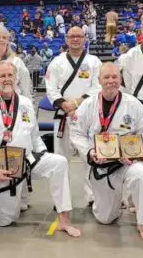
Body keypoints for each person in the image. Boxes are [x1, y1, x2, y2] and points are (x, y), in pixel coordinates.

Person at [0, 61, 80, 237]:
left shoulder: (26, 103)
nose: (7, 79)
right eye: (2, 76)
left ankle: (64, 220)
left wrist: (42, 154)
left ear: (16, 78)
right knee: (4, 220)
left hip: (26, 159)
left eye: (10, 75)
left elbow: (34, 136)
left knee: (59, 163)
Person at [70, 63, 143, 240]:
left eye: (114, 77)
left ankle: (142, 221)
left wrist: (134, 155)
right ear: (99, 80)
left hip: (126, 163)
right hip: (101, 164)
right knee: (106, 219)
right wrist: (90, 152)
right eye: (106, 77)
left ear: (120, 79)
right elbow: (76, 133)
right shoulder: (88, 104)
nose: (111, 81)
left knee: (141, 174)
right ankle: (112, 202)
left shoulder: (133, 104)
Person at [44, 26, 102, 205]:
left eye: (79, 36)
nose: (75, 39)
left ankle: (92, 196)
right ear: (66, 39)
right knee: (61, 159)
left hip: (87, 116)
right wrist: (65, 105)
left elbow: (97, 87)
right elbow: (51, 88)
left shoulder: (94, 61)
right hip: (63, 115)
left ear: (85, 38)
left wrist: (76, 104)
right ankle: (61, 199)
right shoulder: (57, 62)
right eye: (72, 36)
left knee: (90, 155)